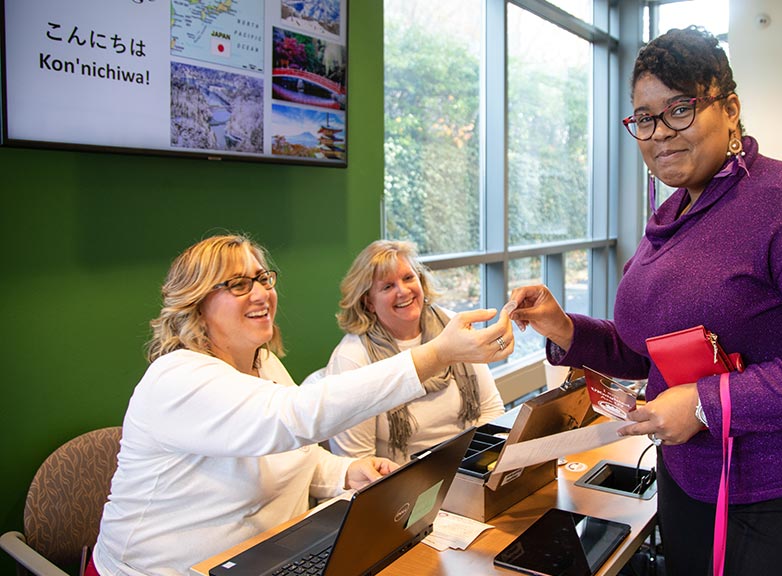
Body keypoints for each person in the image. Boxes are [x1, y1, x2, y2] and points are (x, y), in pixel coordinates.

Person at [509, 26, 782, 576]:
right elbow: (652, 352)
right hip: (699, 481)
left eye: (680, 109)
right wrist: (565, 329)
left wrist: (708, 403)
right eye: (644, 118)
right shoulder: (674, 216)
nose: (659, 133)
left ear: (729, 109)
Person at [91, 234, 513, 576]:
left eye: (263, 279)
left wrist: (346, 470)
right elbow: (290, 419)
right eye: (238, 285)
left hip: (267, 557)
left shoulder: (264, 363)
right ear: (197, 302)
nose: (260, 294)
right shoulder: (177, 379)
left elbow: (298, 455)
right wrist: (434, 355)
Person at [325, 240, 505, 464]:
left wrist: (473, 466)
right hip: (404, 486)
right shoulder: (352, 358)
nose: (403, 291)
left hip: (470, 466)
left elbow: (491, 409)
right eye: (387, 286)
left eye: (408, 278)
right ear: (368, 302)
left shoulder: (451, 326)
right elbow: (357, 461)